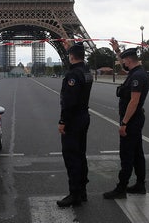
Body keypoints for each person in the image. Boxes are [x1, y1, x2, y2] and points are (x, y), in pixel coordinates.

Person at [103, 39, 149, 199]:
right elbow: (124, 69)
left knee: (127, 155)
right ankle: (140, 185)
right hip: (136, 119)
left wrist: (124, 123)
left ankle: (121, 188)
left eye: (124, 60)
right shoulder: (137, 72)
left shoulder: (137, 76)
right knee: (137, 153)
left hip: (131, 120)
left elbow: (134, 101)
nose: (122, 63)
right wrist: (117, 50)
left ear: (129, 60)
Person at [57, 41, 93, 207]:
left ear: (71, 56)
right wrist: (70, 49)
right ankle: (82, 191)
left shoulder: (73, 75)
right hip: (84, 116)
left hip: (73, 119)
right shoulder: (86, 72)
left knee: (71, 157)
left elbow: (69, 102)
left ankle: (74, 194)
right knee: (80, 155)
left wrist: (63, 121)